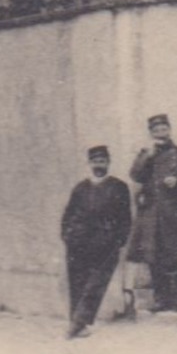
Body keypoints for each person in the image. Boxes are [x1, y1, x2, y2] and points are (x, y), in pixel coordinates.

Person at [127, 113, 177, 313]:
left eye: (164, 129)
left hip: (175, 214)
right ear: (151, 133)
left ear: (170, 130)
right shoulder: (146, 153)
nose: (161, 133)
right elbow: (135, 175)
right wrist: (148, 156)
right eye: (156, 130)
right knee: (155, 258)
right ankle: (161, 299)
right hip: (153, 214)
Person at [60, 145, 132, 339]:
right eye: (95, 161)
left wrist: (119, 240)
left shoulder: (119, 186)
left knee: (96, 283)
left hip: (106, 243)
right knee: (77, 282)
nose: (99, 165)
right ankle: (77, 323)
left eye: (102, 161)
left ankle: (78, 321)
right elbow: (68, 214)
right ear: (89, 163)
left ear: (108, 162)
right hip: (79, 242)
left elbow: (125, 217)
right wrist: (67, 236)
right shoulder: (80, 188)